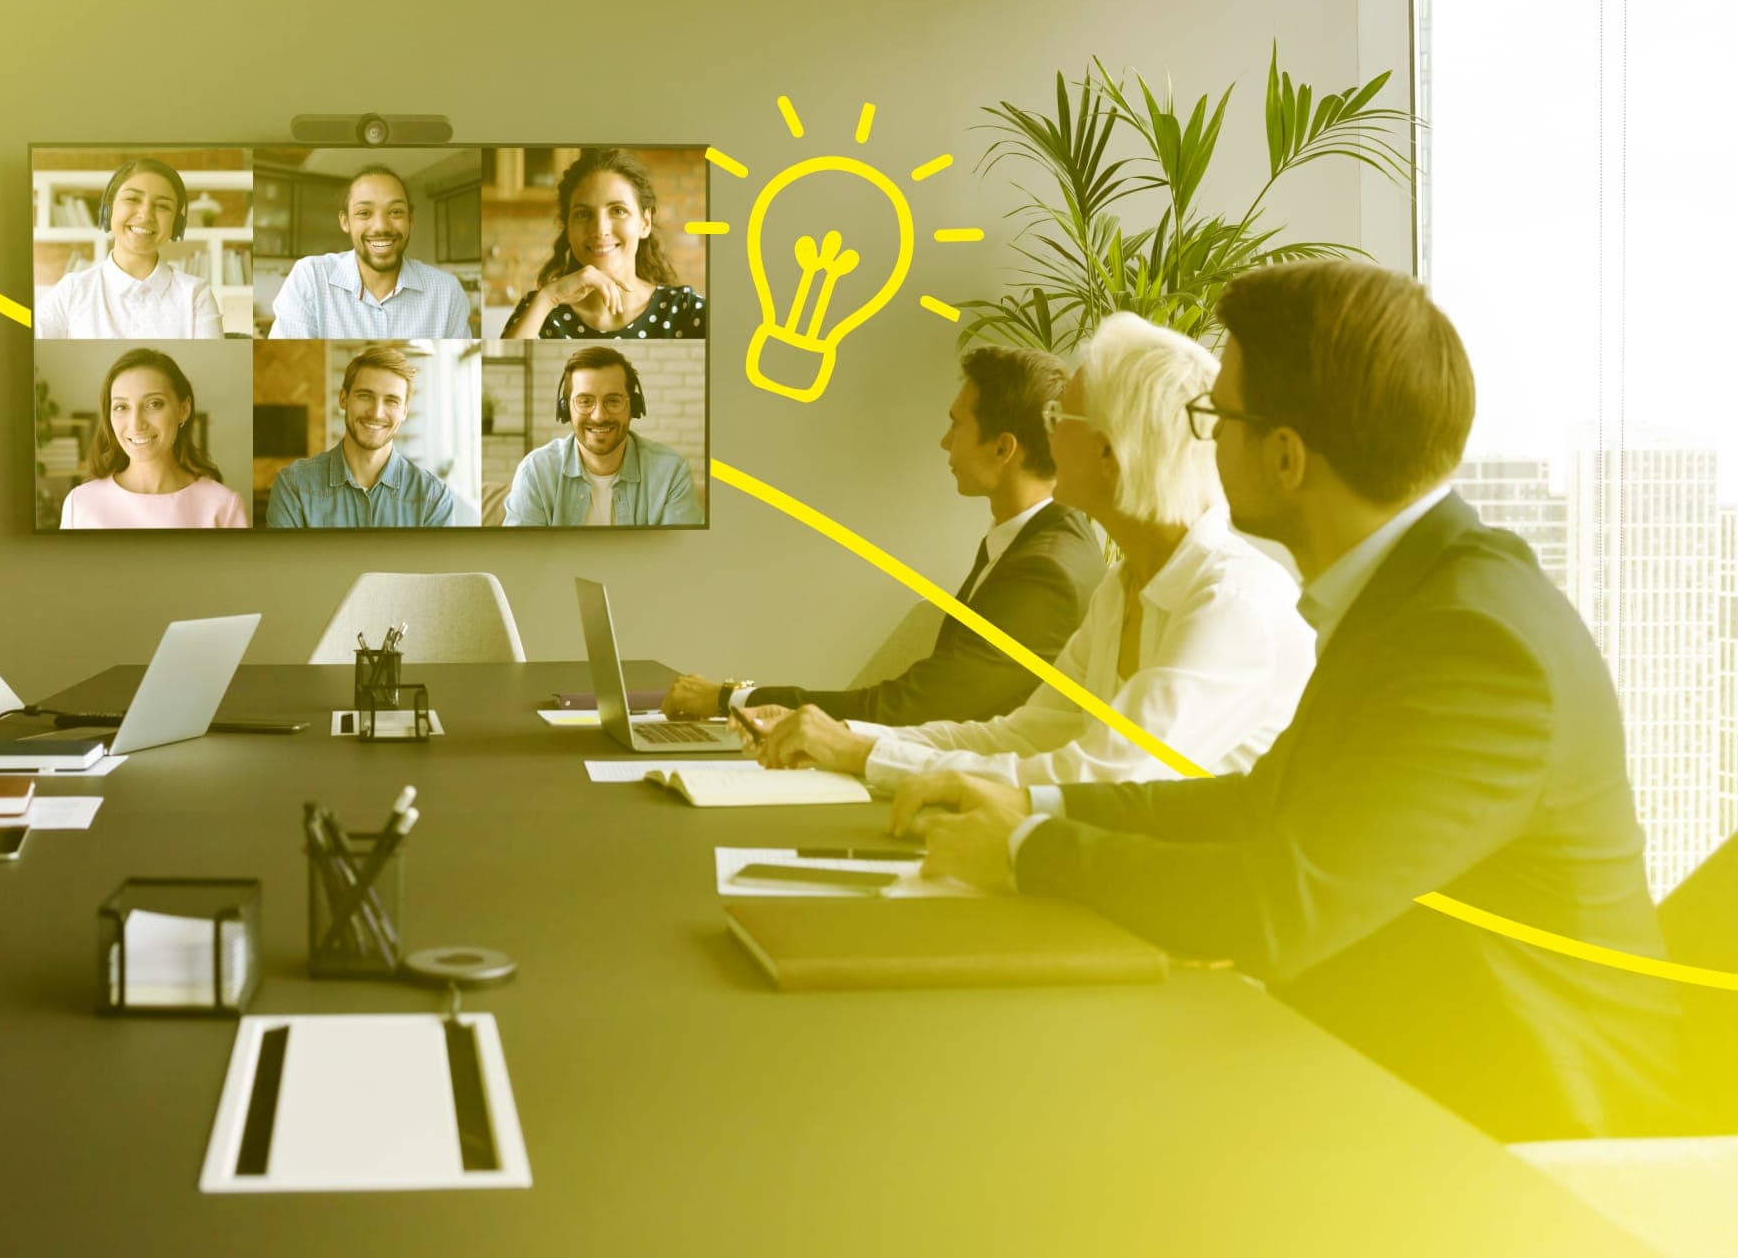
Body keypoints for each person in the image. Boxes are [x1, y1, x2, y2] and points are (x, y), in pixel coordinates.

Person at [891, 261, 1687, 1141]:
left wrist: (1028, 848)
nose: (1199, 441)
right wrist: (1032, 802)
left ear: (1284, 456)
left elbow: (1282, 904)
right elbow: (1262, 803)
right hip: (1409, 1058)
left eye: (1215, 417)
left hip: (1529, 1129)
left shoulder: (1474, 638)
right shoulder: (1412, 592)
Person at [744, 313, 1313, 789]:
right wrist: (841, 736)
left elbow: (1103, 778)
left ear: (1112, 453)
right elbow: (1019, 735)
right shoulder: (1121, 589)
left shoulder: (1232, 604)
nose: (1046, 434)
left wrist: (860, 755)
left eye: (1057, 415)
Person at [664, 346, 1104, 724]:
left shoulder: (1045, 571)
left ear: (1003, 448)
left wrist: (730, 700)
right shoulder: (1035, 538)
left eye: (956, 424)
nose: (945, 442)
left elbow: (906, 709)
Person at [498, 148, 705, 341]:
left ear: (645, 223)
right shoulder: (539, 307)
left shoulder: (687, 310)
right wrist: (549, 298)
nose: (599, 229)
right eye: (583, 214)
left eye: (618, 210)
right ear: (567, 229)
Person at [503, 346, 702, 526]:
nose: (599, 416)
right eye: (585, 401)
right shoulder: (535, 472)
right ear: (565, 409)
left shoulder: (671, 471)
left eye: (613, 401)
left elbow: (681, 559)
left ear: (634, 406)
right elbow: (520, 558)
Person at [265, 343, 458, 527]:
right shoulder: (293, 486)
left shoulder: (433, 497)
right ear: (343, 398)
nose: (376, 412)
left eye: (391, 400)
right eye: (365, 396)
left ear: (405, 411)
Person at [268, 165, 473, 339]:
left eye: (395, 212)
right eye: (364, 213)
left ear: (411, 220)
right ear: (345, 221)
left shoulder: (447, 292)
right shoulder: (310, 278)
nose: (381, 226)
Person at [33, 157, 224, 339]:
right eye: (132, 199)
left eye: (163, 206)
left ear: (177, 224)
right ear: (108, 211)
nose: (146, 215)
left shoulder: (196, 295)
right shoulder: (73, 290)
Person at [60, 347, 249, 528]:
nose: (136, 424)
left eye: (153, 404)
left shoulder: (223, 506)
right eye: (121, 407)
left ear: (183, 410)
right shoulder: (80, 504)